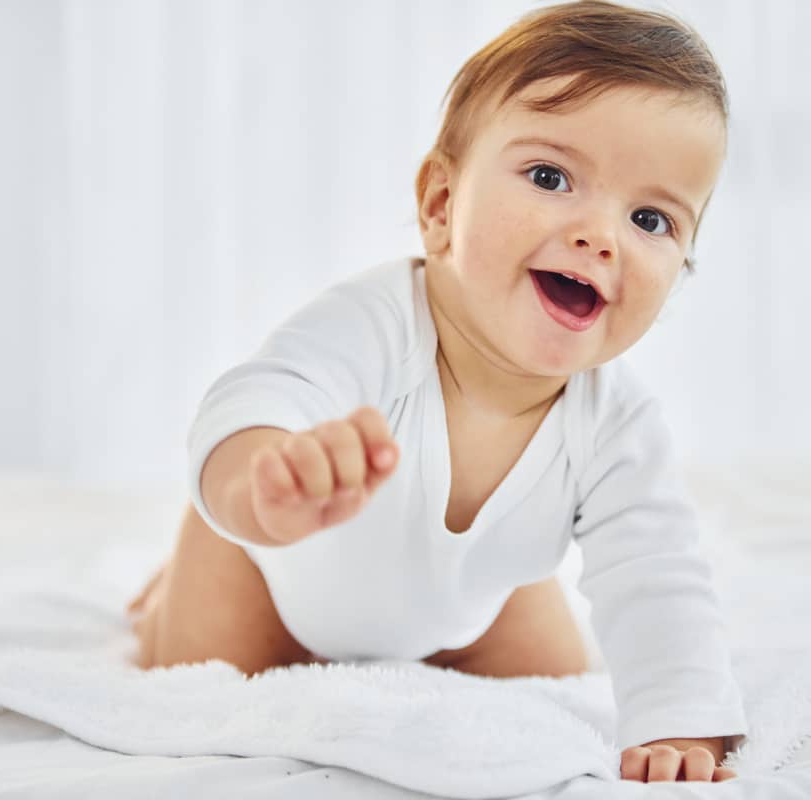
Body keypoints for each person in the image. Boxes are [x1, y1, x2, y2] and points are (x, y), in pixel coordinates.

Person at [127, 0, 746, 783]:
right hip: (277, 579)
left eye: (651, 219)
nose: (602, 235)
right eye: (551, 177)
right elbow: (262, 395)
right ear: (442, 206)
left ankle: (455, 618)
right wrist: (265, 479)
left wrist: (683, 716)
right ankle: (162, 594)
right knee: (187, 677)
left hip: (466, 614)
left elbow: (658, 573)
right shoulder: (378, 325)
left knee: (559, 670)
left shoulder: (616, 423)